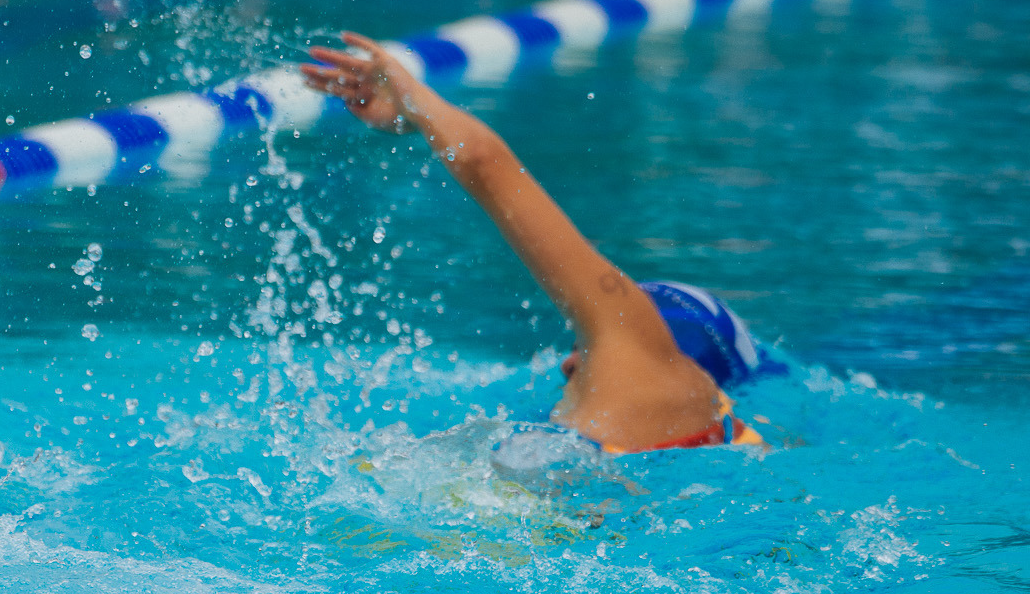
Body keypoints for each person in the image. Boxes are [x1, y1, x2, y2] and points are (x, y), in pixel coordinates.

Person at [301, 33, 769, 454]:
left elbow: (484, 163)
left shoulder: (644, 353)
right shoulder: (720, 430)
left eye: (590, 341)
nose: (568, 364)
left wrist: (413, 101)